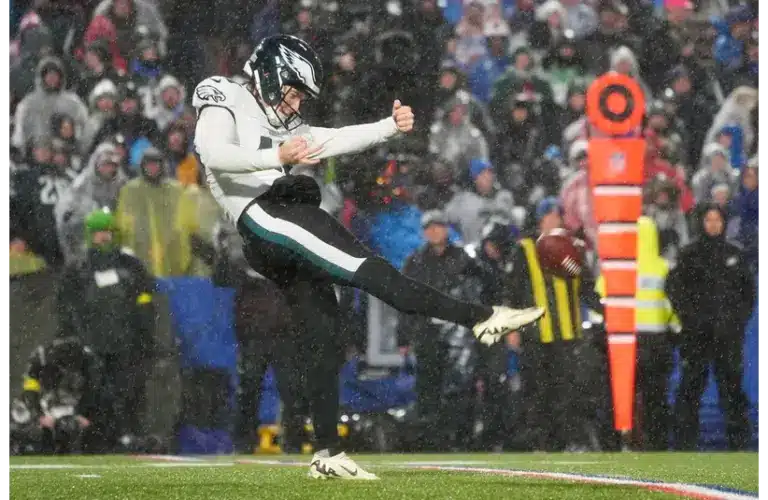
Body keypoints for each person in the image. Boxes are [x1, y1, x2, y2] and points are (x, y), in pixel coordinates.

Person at [191, 34, 544, 480]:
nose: (296, 101)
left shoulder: (282, 122)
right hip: (265, 214)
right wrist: (275, 154)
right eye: (294, 90)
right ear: (272, 73)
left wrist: (388, 127)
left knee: (325, 330)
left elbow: (333, 138)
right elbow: (212, 152)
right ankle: (480, 316)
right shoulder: (224, 94)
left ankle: (327, 454)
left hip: (275, 229)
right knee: (372, 271)